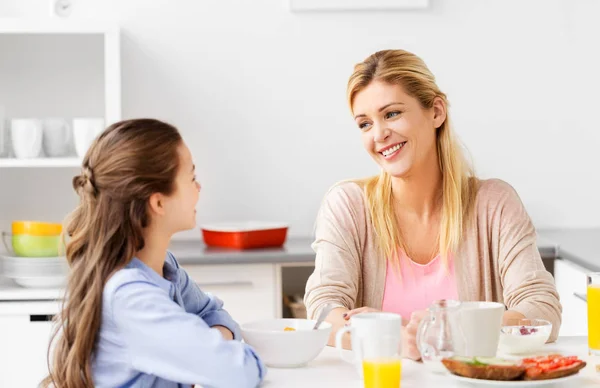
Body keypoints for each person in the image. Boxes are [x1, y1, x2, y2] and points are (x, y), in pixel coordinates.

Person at [304, 50, 562, 360]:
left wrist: (452, 330)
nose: (379, 134)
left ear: (436, 111)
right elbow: (322, 310)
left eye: (392, 114)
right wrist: (390, 338)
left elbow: (542, 308)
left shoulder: (494, 204)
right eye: (364, 124)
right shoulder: (348, 205)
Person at [42, 119, 265, 388]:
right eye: (191, 178)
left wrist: (204, 349)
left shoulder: (163, 268)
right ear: (158, 202)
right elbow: (237, 372)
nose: (199, 188)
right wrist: (208, 354)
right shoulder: (131, 298)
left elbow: (215, 314)